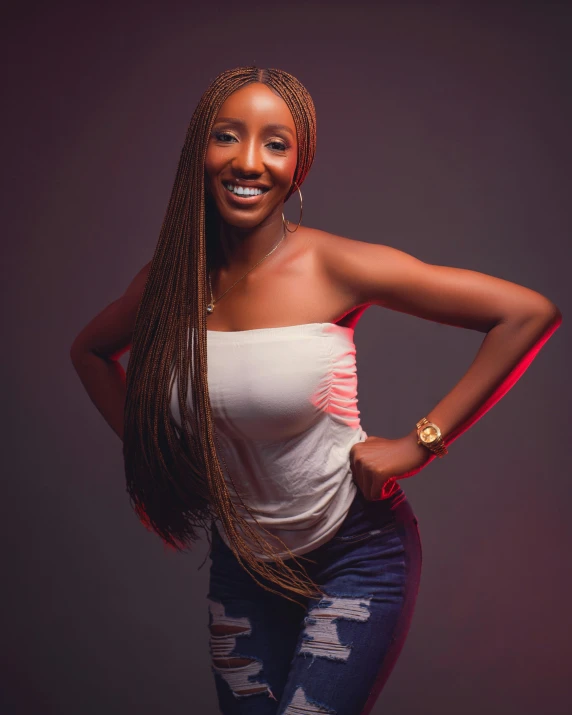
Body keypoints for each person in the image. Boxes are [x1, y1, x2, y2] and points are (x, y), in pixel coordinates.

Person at [70, 66, 562, 714]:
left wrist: (421, 441)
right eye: (228, 136)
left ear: (299, 166)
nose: (249, 161)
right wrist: (154, 454)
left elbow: (525, 312)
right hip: (241, 569)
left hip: (356, 555)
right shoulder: (168, 283)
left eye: (276, 143)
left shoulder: (331, 265)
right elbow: (91, 352)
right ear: (200, 149)